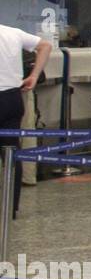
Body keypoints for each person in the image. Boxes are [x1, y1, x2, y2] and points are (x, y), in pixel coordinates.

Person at [0, 23, 51, 214]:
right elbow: (45, 46)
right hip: (12, 98)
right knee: (12, 152)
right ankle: (11, 207)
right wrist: (34, 76)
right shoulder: (13, 32)